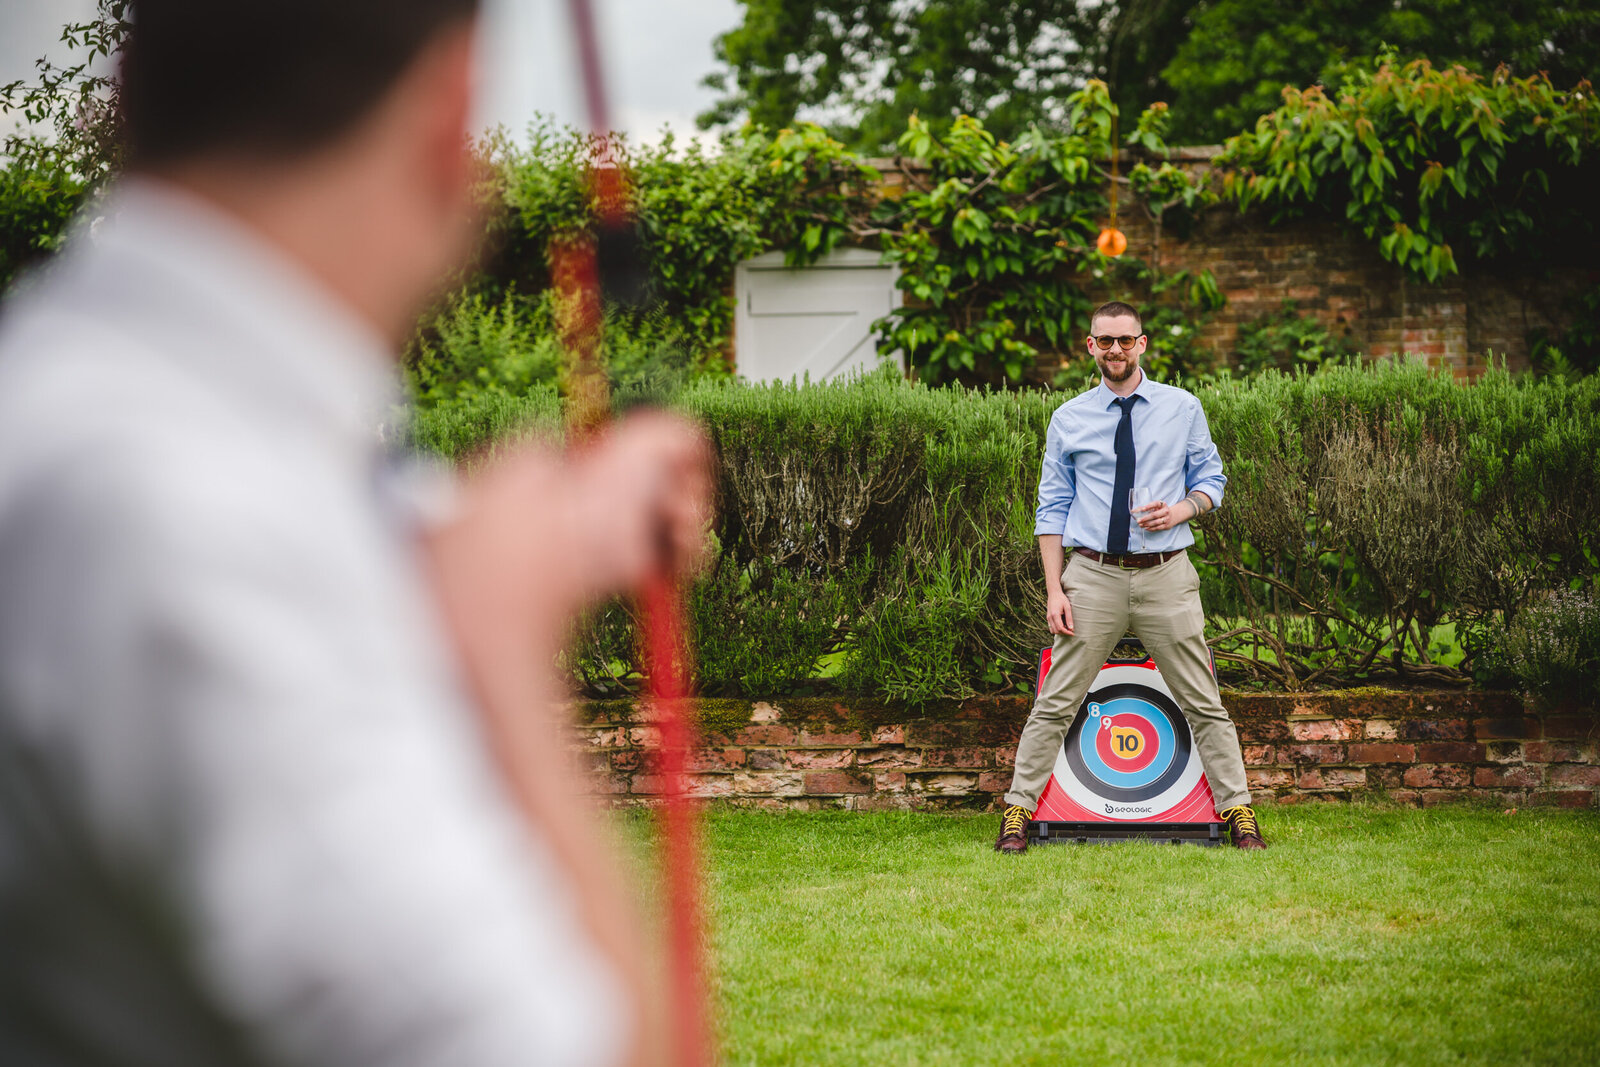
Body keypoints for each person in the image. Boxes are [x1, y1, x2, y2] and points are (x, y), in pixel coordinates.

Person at [0, 2, 709, 1064]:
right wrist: (501, 646)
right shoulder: (177, 510)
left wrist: (560, 529)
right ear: (450, 107)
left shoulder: (110, 406)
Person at [995, 301, 1266, 853]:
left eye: (1125, 339)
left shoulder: (1182, 407)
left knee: (1204, 700)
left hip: (1166, 573)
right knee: (1055, 700)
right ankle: (1018, 812)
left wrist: (1182, 511)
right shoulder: (1069, 417)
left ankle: (1238, 810)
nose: (1115, 349)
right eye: (1104, 341)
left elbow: (1212, 479)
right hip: (1092, 576)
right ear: (1090, 347)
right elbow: (1051, 509)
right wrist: (1055, 590)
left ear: (1142, 343)